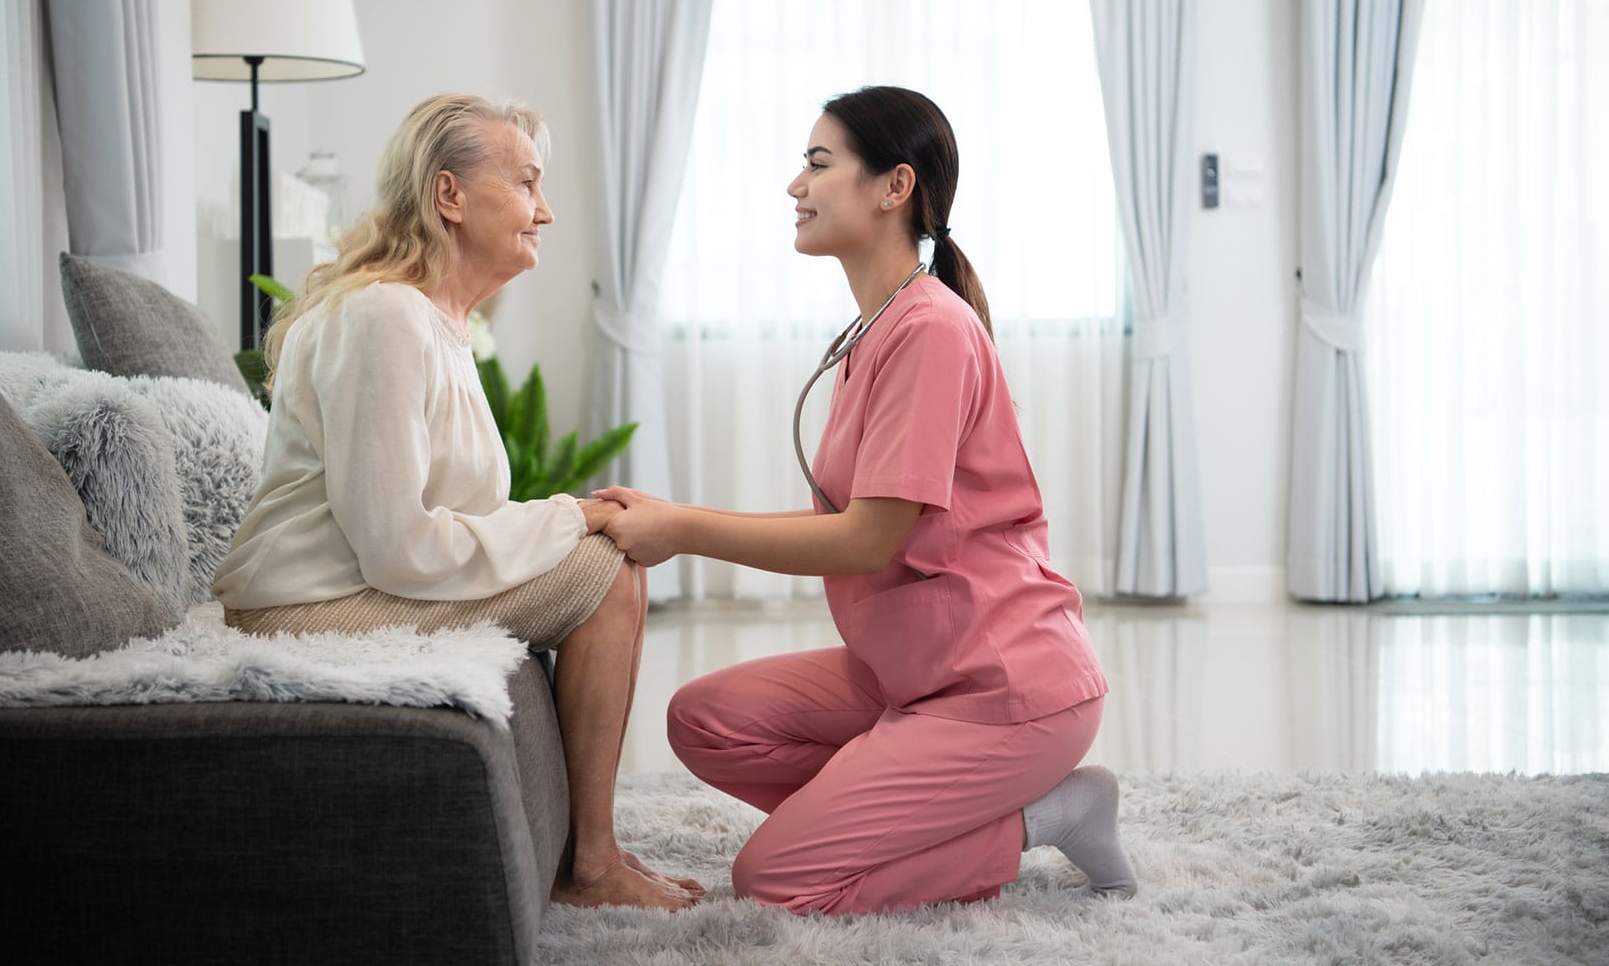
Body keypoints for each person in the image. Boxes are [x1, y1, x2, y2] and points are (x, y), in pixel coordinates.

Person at [594, 85, 1135, 916]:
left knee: (775, 880)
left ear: (895, 186)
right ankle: (897, 814)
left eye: (818, 164)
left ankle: (1049, 814)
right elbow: (847, 525)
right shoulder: (877, 329)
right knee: (705, 720)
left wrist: (684, 530)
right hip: (912, 671)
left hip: (1001, 688)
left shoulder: (930, 331)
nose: (796, 185)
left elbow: (866, 541)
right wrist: (673, 520)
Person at [212, 94, 702, 913]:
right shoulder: (382, 317)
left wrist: (567, 514)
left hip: (352, 588)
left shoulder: (433, 320)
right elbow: (398, 546)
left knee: (608, 560)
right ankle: (591, 867)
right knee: (605, 574)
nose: (545, 211)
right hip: (301, 608)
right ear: (449, 195)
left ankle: (596, 854)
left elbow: (444, 519)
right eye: (526, 183)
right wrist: (568, 517)